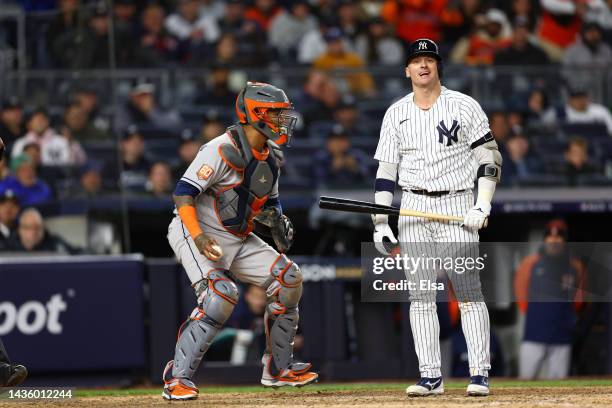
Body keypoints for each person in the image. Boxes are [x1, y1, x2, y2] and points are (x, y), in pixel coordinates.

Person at [162, 82, 317, 400]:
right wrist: (199, 236)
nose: (283, 120)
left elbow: (266, 204)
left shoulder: (271, 157)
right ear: (256, 113)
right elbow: (183, 194)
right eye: (277, 114)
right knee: (221, 295)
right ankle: (177, 377)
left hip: (236, 236)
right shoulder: (219, 149)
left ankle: (278, 369)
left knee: (289, 278)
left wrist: (277, 222)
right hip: (194, 231)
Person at [373, 39, 501, 397]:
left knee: (468, 293)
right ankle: (430, 376)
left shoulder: (463, 105)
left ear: (437, 66)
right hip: (412, 206)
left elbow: (490, 158)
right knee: (421, 296)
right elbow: (386, 173)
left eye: (429, 59)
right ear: (407, 70)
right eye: (417, 60)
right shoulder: (395, 112)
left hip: (456, 205)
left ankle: (479, 373)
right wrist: (381, 222)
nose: (423, 65)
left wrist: (482, 204)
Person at [514, 219, 586, 379]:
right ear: (545, 239)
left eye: (559, 237)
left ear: (565, 240)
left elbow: (579, 300)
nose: (554, 240)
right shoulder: (530, 263)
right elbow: (520, 295)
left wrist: (563, 316)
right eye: (550, 237)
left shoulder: (575, 265)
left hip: (562, 335)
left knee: (559, 385)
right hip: (534, 334)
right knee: (525, 382)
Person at [313, 27, 375, 96]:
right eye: (331, 42)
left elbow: (364, 76)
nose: (335, 45)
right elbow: (316, 81)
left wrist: (368, 88)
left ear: (342, 42)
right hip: (330, 94)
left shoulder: (354, 58)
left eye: (337, 41)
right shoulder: (321, 60)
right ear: (327, 44)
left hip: (352, 92)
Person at [5, 207, 82, 254]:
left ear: (43, 228)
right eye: (28, 227)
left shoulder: (54, 243)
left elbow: (77, 252)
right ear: (20, 230)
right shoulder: (8, 245)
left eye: (37, 227)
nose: (33, 232)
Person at [542, 85, 612, 136]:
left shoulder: (600, 111)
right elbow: (544, 129)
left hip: (595, 147)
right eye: (576, 98)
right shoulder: (558, 112)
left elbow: (610, 131)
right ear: (570, 100)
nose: (580, 100)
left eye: (582, 97)